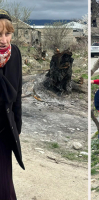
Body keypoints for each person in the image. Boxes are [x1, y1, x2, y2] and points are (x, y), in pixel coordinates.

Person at [0, 10, 24, 200]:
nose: (3, 40)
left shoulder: (14, 53)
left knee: (4, 180)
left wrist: (17, 123)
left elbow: (17, 92)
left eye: (7, 34)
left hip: (4, 127)